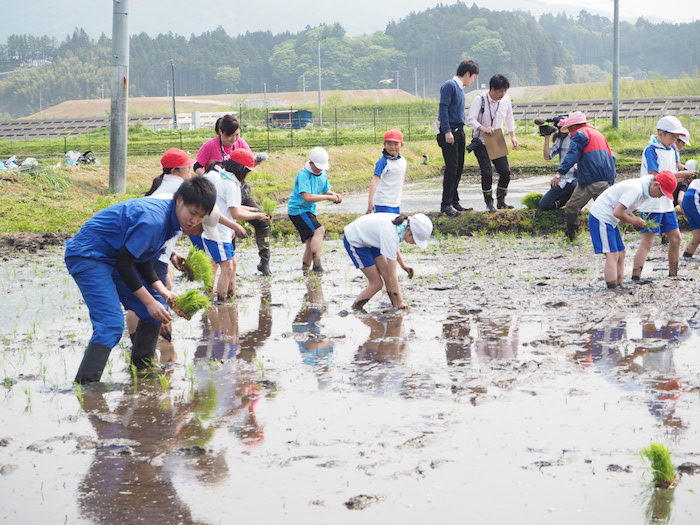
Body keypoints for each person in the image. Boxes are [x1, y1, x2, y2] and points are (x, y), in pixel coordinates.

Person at [66, 176, 217, 383]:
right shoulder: (154, 220)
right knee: (111, 324)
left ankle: (142, 370)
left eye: (201, 217)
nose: (194, 221)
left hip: (114, 256)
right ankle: (86, 387)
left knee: (154, 312)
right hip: (89, 255)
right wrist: (149, 301)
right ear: (180, 200)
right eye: (192, 213)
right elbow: (125, 263)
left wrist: (162, 291)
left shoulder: (172, 221)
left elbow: (144, 257)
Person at [194, 114, 273, 276]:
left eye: (237, 135)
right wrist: (210, 182)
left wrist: (256, 161)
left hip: (239, 191)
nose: (234, 139)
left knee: (261, 220)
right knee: (228, 227)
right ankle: (229, 266)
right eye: (230, 135)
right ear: (220, 132)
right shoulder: (210, 146)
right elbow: (197, 166)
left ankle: (264, 261)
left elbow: (248, 164)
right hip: (218, 193)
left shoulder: (240, 143)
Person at [200, 149, 270, 301]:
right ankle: (221, 301)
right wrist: (257, 215)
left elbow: (232, 207)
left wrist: (252, 209)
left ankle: (229, 295)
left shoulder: (223, 179)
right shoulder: (230, 185)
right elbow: (236, 214)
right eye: (247, 172)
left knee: (229, 265)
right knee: (227, 267)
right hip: (219, 234)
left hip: (216, 232)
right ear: (241, 170)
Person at [587, 171, 676, 289]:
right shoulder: (636, 189)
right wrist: (635, 222)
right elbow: (618, 212)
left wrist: (635, 218)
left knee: (621, 252)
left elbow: (625, 209)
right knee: (612, 254)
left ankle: (620, 284)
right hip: (601, 217)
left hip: (610, 220)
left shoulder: (644, 190)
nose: (660, 197)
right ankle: (612, 288)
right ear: (655, 184)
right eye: (662, 193)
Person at [632, 116, 694, 281]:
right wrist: (682, 175)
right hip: (651, 202)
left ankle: (673, 275)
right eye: (672, 137)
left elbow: (673, 169)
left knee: (676, 238)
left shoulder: (672, 150)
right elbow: (657, 176)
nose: (674, 141)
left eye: (676, 138)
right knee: (647, 242)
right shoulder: (651, 150)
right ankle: (635, 277)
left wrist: (687, 173)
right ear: (661, 134)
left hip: (666, 202)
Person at [343, 213, 432, 310]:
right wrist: (401, 303)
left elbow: (393, 247)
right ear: (409, 230)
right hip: (355, 239)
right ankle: (355, 309)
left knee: (386, 275)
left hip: (373, 238)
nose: (415, 243)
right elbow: (392, 274)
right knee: (376, 284)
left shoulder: (402, 226)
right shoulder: (391, 234)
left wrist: (403, 265)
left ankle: (395, 305)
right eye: (415, 240)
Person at [554, 111, 617, 240]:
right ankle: (610, 237)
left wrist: (559, 174)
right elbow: (612, 156)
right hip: (606, 178)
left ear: (573, 126)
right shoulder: (598, 134)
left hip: (590, 178)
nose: (570, 133)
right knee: (605, 209)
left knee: (572, 207)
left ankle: (571, 237)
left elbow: (572, 155)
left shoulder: (579, 134)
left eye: (569, 130)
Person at [467, 74, 519, 211]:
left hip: (496, 139)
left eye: (505, 91)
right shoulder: (480, 99)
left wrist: (513, 136)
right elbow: (471, 119)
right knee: (487, 173)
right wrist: (483, 128)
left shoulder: (505, 99)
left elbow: (509, 118)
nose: (502, 94)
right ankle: (489, 203)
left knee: (505, 172)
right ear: (492, 89)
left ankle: (501, 201)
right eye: (500, 91)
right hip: (481, 141)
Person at [288, 147, 342, 273]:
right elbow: (307, 197)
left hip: (309, 211)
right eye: (318, 166)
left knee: (311, 241)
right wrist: (328, 198)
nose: (320, 169)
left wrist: (334, 194)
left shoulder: (322, 174)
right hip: (298, 210)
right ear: (311, 162)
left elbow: (325, 189)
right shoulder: (303, 174)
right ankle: (317, 265)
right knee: (319, 230)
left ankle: (305, 269)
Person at [436, 59, 479, 216]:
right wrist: (447, 131)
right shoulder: (450, 85)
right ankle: (446, 204)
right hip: (450, 132)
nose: (473, 81)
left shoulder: (460, 89)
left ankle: (454, 202)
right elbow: (443, 108)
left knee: (458, 168)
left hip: (459, 131)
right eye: (473, 77)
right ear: (467, 74)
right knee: (451, 168)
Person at [367, 129, 406, 214]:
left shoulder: (402, 160)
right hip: (383, 203)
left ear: (402, 144)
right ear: (384, 145)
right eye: (389, 144)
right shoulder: (383, 162)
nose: (392, 147)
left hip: (396, 203)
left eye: (396, 144)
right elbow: (374, 181)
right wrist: (370, 202)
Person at [539, 124, 577, 211]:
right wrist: (547, 137)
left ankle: (575, 205)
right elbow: (547, 156)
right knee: (544, 205)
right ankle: (566, 202)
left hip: (578, 178)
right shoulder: (563, 139)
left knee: (576, 186)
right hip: (564, 179)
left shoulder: (584, 138)